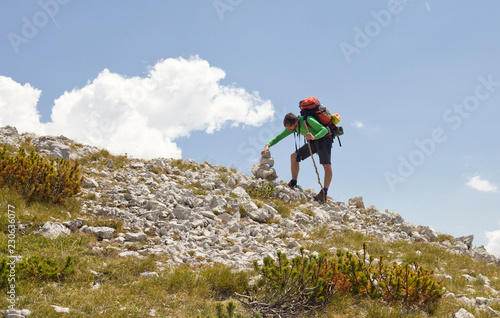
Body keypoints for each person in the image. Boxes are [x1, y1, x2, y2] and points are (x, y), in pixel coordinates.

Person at [261, 112, 334, 203]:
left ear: (295, 122)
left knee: (326, 165)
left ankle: (324, 192)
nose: (288, 129)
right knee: (294, 156)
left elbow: (324, 130)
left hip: (324, 139)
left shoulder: (308, 120)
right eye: (286, 127)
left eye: (289, 127)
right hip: (312, 141)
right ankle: (293, 182)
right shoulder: (292, 128)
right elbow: (279, 137)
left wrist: (315, 137)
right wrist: (268, 145)